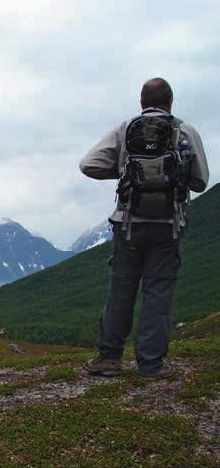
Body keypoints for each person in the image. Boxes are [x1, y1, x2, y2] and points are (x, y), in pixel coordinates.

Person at [79, 78, 209, 380]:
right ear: (170, 102)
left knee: (121, 289)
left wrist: (125, 172)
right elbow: (201, 182)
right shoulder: (184, 130)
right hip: (168, 226)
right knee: (158, 292)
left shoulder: (125, 129)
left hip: (128, 226)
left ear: (141, 102)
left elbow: (88, 165)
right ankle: (151, 365)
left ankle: (109, 359)